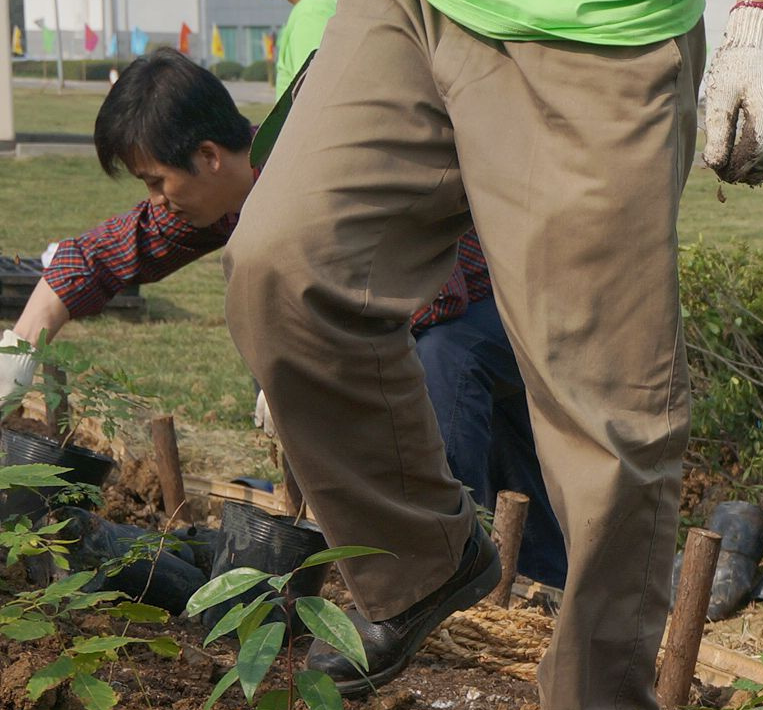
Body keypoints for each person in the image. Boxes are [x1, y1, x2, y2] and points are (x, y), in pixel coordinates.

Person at [221, 0, 763, 710]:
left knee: (608, 415)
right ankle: (422, 559)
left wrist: (759, 22)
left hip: (601, 26)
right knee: (282, 268)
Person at [0, 52, 569, 588]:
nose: (156, 200)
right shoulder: (220, 191)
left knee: (445, 363)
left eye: (156, 181)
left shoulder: (322, 172)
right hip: (449, 315)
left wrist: (309, 367)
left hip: (510, 298)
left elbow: (429, 294)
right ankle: (540, 581)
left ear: (207, 156)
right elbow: (103, 254)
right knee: (526, 494)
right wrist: (21, 348)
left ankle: (435, 567)